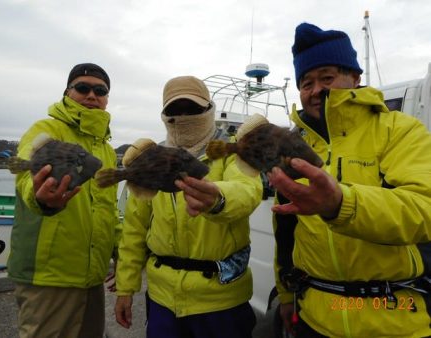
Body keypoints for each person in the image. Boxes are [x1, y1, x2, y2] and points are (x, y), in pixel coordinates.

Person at [268, 22, 431, 338]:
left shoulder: (400, 130)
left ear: (355, 77)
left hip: (392, 321)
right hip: (314, 317)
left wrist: (341, 204)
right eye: (306, 82)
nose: (316, 90)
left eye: (327, 78)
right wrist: (286, 296)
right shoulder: (293, 148)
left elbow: (424, 208)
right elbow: (285, 233)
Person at [114, 75, 263, 338]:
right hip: (162, 300)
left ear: (209, 109)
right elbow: (134, 230)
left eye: (192, 109)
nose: (183, 116)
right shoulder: (154, 161)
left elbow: (248, 191)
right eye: (174, 110)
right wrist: (126, 288)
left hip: (221, 300)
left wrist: (218, 198)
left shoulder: (233, 152)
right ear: (164, 115)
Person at [7, 63, 120, 338]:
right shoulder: (47, 128)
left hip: (92, 276)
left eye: (100, 90)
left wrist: (122, 257)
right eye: (83, 88)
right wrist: (40, 198)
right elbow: (25, 179)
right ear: (67, 92)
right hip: (49, 276)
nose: (92, 95)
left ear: (106, 98)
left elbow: (107, 210)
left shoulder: (106, 149)